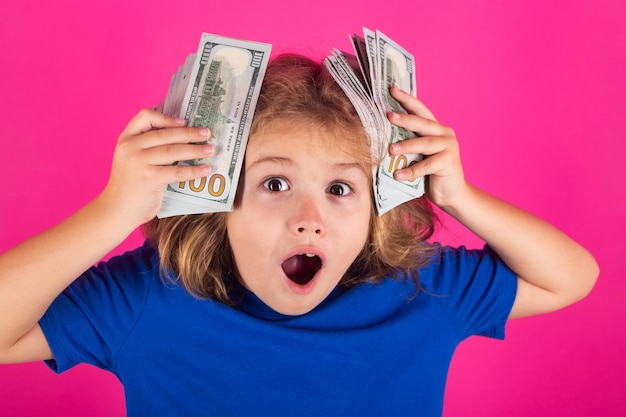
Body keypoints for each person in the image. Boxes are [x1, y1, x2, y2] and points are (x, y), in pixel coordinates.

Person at [0, 54, 598, 416]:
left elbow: (572, 276)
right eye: (274, 184)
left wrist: (458, 196)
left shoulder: (421, 288)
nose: (309, 216)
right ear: (220, 202)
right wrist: (112, 212)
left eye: (340, 190)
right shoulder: (148, 296)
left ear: (377, 210)